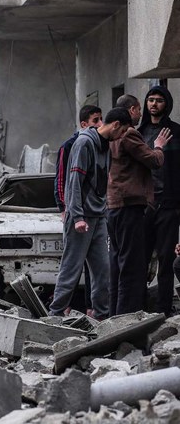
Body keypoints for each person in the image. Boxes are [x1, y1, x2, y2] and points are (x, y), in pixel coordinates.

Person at [49, 107, 129, 320]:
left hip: (98, 217)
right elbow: (73, 183)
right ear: (116, 125)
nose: (121, 137)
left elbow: (102, 183)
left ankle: (102, 318)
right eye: (122, 132)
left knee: (102, 270)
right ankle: (54, 315)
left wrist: (103, 212)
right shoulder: (84, 143)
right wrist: (77, 217)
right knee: (71, 269)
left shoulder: (106, 146)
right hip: (81, 219)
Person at [107, 94, 170, 315]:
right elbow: (153, 161)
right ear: (132, 110)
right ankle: (126, 317)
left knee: (117, 263)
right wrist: (159, 146)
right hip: (129, 206)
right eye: (138, 109)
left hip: (114, 205)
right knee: (131, 266)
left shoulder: (110, 136)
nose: (142, 112)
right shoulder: (129, 133)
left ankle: (115, 314)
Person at [53, 105, 102, 316]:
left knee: (98, 268)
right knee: (72, 265)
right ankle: (59, 310)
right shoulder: (73, 145)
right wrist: (66, 209)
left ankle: (96, 310)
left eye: (102, 119)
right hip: (77, 214)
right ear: (84, 124)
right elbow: (64, 180)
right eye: (95, 120)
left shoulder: (100, 145)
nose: (100, 124)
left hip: (95, 214)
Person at [139, 86, 180, 317]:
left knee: (166, 260)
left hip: (169, 206)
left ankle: (164, 309)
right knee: (140, 259)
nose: (154, 104)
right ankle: (140, 308)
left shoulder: (177, 132)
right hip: (144, 206)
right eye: (150, 100)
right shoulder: (139, 132)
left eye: (159, 100)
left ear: (167, 104)